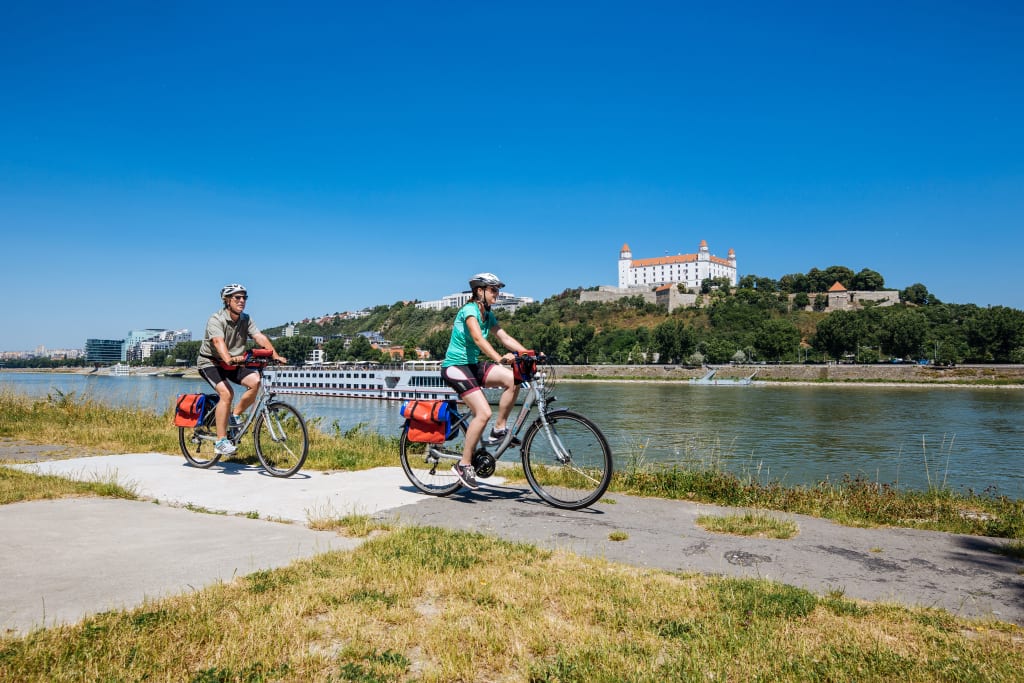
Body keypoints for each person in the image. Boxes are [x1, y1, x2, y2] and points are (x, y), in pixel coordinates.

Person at [440, 272, 530, 489]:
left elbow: (504, 337)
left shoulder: (487, 315)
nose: (497, 294)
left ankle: (499, 428)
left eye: (497, 290)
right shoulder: (469, 310)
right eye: (493, 290)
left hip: (473, 365)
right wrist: (499, 358)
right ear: (479, 291)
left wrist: (528, 353)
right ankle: (463, 464)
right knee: (483, 412)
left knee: (513, 379)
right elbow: (479, 339)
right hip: (455, 366)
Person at [197, 284, 286, 456]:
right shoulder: (216, 319)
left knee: (256, 382)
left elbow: (259, 336)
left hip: (234, 362)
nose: (242, 301)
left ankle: (235, 415)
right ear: (227, 301)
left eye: (244, 297)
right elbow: (218, 342)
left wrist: (275, 355)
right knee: (227, 393)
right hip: (211, 362)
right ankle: (221, 441)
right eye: (237, 298)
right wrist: (228, 358)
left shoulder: (246, 319)